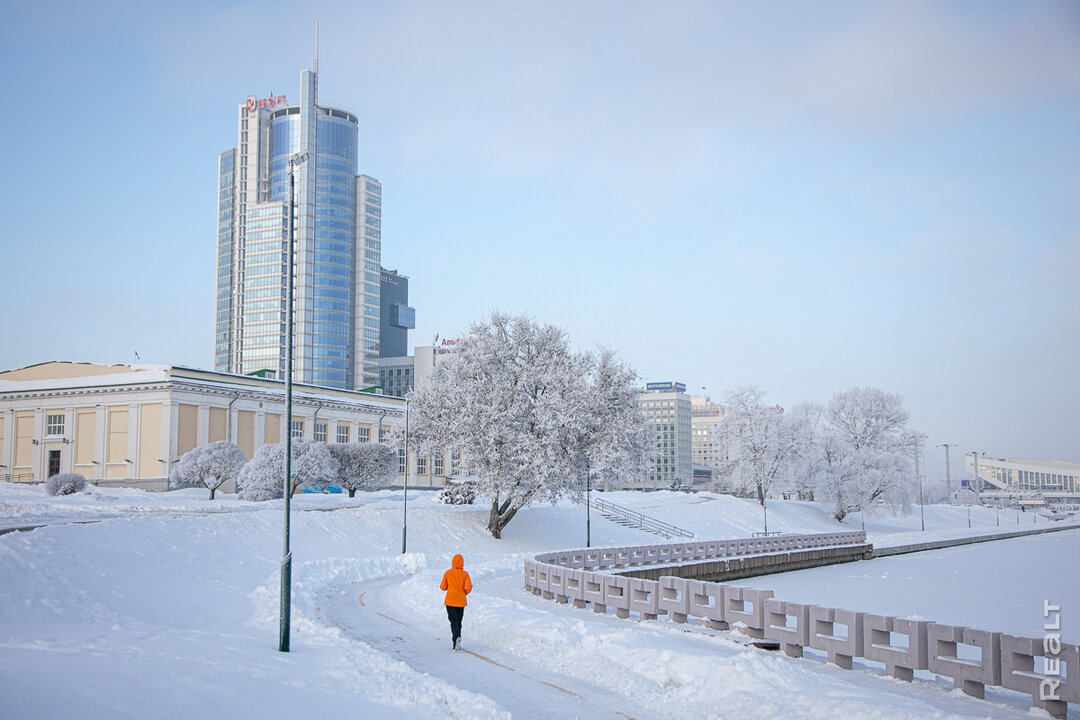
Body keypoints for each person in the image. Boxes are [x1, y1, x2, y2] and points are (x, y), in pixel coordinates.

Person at [440, 553, 472, 650]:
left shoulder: (448, 573)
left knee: (453, 621)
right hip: (461, 601)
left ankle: (456, 639)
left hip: (450, 601)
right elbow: (469, 587)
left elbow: (443, 587)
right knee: (459, 621)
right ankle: (458, 639)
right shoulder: (465, 574)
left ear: (453, 562)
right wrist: (464, 593)